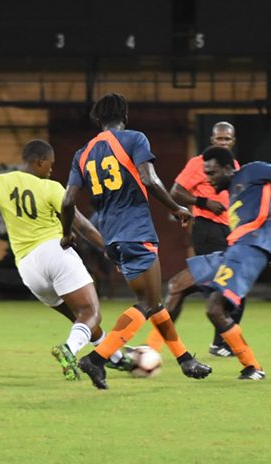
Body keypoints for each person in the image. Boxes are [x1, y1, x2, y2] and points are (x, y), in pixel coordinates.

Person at [60, 92, 213, 390]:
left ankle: (185, 361)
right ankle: (97, 359)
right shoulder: (134, 139)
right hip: (136, 230)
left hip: (111, 237)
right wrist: (176, 208)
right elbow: (150, 179)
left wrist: (67, 233)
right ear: (124, 115)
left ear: (98, 119)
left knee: (154, 301)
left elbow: (67, 201)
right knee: (148, 302)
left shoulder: (83, 152)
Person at [0, 139, 130, 381]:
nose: (51, 170)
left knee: (80, 319)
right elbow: (82, 225)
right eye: (50, 165)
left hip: (28, 269)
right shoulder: (51, 187)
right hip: (54, 253)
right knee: (91, 312)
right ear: (40, 161)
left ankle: (116, 358)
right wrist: (109, 250)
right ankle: (69, 350)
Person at [159, 146, 271, 380]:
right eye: (206, 173)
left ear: (228, 169)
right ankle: (154, 350)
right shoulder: (236, 196)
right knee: (176, 285)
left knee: (215, 309)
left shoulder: (252, 172)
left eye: (213, 173)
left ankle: (253, 367)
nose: (208, 178)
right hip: (231, 251)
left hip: (247, 253)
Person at [145, 121, 243, 357]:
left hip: (228, 232)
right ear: (212, 140)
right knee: (222, 287)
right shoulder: (198, 163)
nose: (223, 143)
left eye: (227, 139)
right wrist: (203, 203)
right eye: (219, 139)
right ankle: (222, 343)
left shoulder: (235, 166)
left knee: (231, 287)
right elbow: (175, 191)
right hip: (207, 230)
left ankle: (220, 342)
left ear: (233, 141)